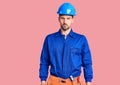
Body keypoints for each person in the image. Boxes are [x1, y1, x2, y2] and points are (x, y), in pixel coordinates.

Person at [39, 2, 93, 85]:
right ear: (58, 19)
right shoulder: (49, 39)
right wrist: (43, 81)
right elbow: (44, 61)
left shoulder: (81, 39)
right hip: (54, 82)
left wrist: (88, 82)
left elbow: (87, 63)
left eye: (68, 18)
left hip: (74, 82)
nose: (65, 21)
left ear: (72, 20)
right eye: (62, 18)